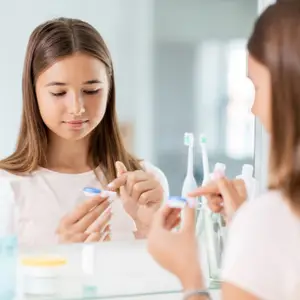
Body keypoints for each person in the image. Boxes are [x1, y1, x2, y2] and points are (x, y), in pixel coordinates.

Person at [147, 2, 300, 300]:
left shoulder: (272, 219)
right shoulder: (265, 220)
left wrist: (189, 275)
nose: (254, 108)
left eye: (256, 86)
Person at [0, 17, 180, 247]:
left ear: (109, 89)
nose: (77, 107)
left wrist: (148, 230)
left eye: (92, 90)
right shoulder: (6, 187)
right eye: (58, 93)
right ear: (33, 92)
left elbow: (169, 278)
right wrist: (61, 252)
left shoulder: (146, 182)